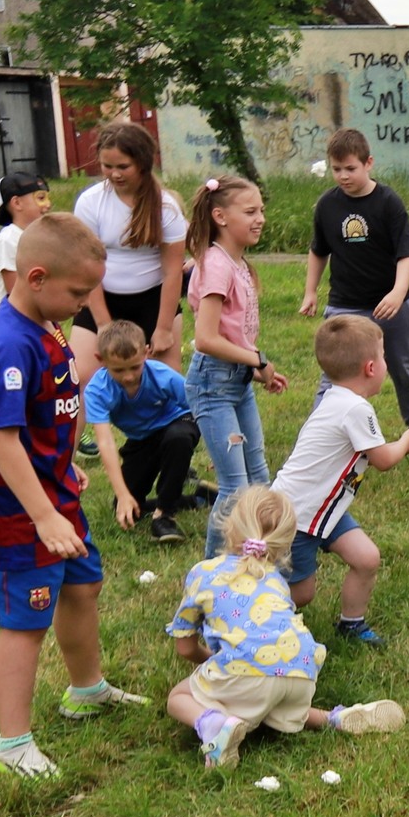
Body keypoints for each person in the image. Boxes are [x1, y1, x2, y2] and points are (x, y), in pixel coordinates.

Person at [0, 213, 151, 779]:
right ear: (37, 277)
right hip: (14, 509)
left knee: (82, 584)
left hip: (53, 490)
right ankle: (11, 744)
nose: (85, 303)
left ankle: (86, 690)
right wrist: (44, 515)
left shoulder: (48, 323)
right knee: (26, 620)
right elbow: (1, 438)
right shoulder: (6, 344)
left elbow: (52, 411)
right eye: (78, 293)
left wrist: (65, 466)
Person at [163, 485, 407, 770]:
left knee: (179, 697)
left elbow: (185, 648)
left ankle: (215, 725)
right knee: (272, 702)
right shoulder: (275, 578)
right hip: (300, 671)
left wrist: (211, 660)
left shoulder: (203, 572)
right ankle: (333, 718)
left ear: (229, 526)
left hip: (245, 673)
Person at [272, 315, 409, 645]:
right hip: (299, 516)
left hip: (325, 510)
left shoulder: (338, 398)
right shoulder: (356, 409)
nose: (386, 364)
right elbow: (383, 460)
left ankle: (351, 624)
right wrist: (406, 442)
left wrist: (406, 442)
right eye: (384, 357)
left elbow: (372, 452)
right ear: (371, 368)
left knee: (366, 558)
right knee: (301, 593)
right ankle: (249, 613)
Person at [186, 176, 288, 557]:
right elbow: (206, 339)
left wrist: (257, 371)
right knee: (234, 487)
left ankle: (253, 562)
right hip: (212, 385)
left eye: (261, 210)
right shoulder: (216, 265)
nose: (260, 218)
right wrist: (258, 360)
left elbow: (235, 335)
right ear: (220, 216)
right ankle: (212, 574)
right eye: (250, 212)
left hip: (236, 382)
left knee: (258, 479)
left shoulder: (237, 262)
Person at [301, 128, 409, 429]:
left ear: (368, 163)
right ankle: (322, 435)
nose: (343, 176)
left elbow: (406, 254)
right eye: (337, 169)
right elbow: (318, 251)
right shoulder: (327, 205)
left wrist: (398, 293)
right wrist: (310, 291)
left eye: (350, 168)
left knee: (406, 371)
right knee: (335, 376)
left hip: (391, 306)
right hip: (346, 305)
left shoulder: (388, 202)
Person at [71, 122, 189, 403]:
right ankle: (81, 434)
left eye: (123, 166)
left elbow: (173, 271)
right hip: (100, 300)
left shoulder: (166, 208)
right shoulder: (90, 202)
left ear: (143, 163)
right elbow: (87, 266)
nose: (114, 174)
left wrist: (163, 329)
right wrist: (103, 325)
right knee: (80, 380)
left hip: (153, 303)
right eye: (107, 166)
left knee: (164, 387)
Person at [84, 319, 212, 544]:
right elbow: (105, 442)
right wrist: (123, 494)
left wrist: (219, 453)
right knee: (128, 508)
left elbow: (203, 408)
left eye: (135, 367)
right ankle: (200, 498)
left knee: (178, 438)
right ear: (100, 360)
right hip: (142, 439)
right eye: (118, 370)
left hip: (178, 422)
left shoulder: (163, 375)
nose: (128, 376)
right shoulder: (97, 391)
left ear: (146, 353)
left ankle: (164, 516)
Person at [0, 172, 50, 318]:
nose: (48, 205)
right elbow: (17, 294)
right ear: (16, 203)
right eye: (41, 198)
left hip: (35, 317)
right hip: (10, 323)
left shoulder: (40, 238)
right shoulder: (7, 240)